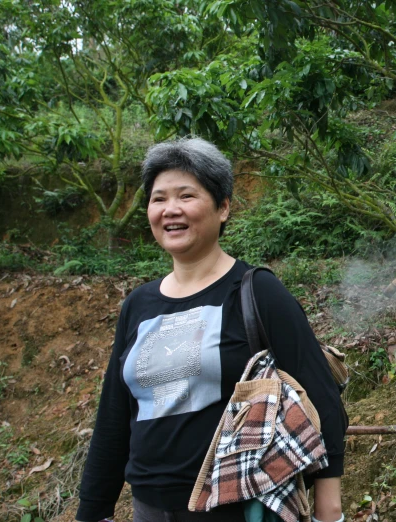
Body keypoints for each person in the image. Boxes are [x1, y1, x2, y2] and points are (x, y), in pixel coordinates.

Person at [76, 138, 347, 522]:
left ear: (223, 207)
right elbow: (114, 417)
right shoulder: (139, 305)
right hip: (149, 508)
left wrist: (328, 505)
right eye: (159, 198)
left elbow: (320, 393)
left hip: (236, 504)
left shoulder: (256, 290)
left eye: (187, 196)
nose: (171, 209)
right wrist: (92, 511)